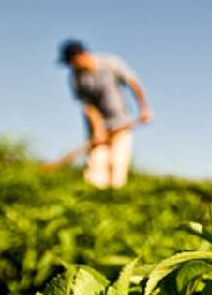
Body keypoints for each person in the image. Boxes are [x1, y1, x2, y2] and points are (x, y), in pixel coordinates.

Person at [58, 39, 152, 189]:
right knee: (96, 164)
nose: (71, 66)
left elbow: (132, 82)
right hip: (97, 126)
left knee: (118, 162)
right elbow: (88, 106)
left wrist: (144, 108)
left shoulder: (110, 63)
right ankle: (93, 197)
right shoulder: (76, 78)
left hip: (122, 121)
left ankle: (115, 197)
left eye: (71, 62)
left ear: (78, 56)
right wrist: (97, 130)